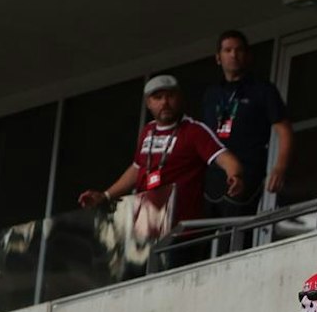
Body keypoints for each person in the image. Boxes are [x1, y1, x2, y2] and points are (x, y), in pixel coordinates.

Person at [80, 76, 244, 259]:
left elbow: (225, 157)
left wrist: (234, 174)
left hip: (182, 235)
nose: (165, 102)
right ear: (148, 103)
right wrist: (106, 195)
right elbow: (136, 169)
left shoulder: (193, 130)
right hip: (145, 233)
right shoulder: (147, 131)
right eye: (157, 98)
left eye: (170, 96)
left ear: (179, 98)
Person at [200, 30, 293, 227]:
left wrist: (280, 168)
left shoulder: (262, 90)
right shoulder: (212, 94)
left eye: (239, 50)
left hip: (247, 171)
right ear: (218, 58)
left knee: (236, 232)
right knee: (200, 234)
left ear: (247, 56)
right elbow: (201, 138)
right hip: (212, 174)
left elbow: (284, 131)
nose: (233, 55)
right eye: (227, 50)